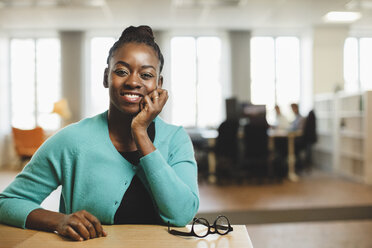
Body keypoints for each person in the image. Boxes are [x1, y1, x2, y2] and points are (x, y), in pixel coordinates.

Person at [0, 26, 199, 241]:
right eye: (121, 71)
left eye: (146, 74)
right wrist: (58, 220)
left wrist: (140, 133)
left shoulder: (176, 139)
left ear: (158, 84)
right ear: (106, 77)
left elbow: (181, 215)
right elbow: (7, 202)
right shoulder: (71, 140)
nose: (133, 81)